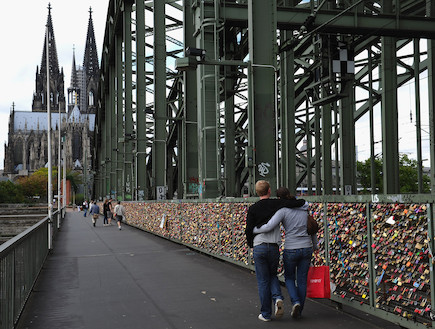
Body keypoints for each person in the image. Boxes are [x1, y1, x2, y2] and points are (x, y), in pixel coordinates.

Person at [253, 187, 318, 320]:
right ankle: (299, 311)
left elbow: (270, 226)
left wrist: (254, 229)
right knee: (302, 280)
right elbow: (312, 227)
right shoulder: (304, 208)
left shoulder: (283, 210)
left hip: (291, 248)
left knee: (289, 278)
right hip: (307, 248)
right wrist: (315, 246)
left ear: (279, 199)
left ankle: (295, 301)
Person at [245, 180, 306, 322]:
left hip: (259, 245)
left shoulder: (253, 208)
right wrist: (302, 200)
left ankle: (266, 314)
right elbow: (295, 203)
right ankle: (278, 297)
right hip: (273, 247)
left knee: (262, 281)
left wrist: (251, 244)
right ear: (269, 191)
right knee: (272, 275)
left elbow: (248, 229)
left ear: (257, 192)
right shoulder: (276, 203)